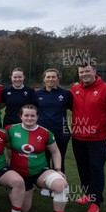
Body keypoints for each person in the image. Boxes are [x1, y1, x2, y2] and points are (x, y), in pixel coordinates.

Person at [6, 105, 70, 212]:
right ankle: (15, 190)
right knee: (24, 209)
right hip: (19, 174)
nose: (29, 118)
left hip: (40, 171)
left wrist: (58, 169)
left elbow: (56, 152)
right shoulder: (11, 129)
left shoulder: (45, 132)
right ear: (21, 116)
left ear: (37, 117)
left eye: (32, 116)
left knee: (61, 185)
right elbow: (7, 148)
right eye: (26, 115)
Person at [70, 63, 106, 212]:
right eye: (81, 72)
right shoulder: (75, 90)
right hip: (78, 137)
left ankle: (96, 201)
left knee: (95, 168)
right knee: (83, 168)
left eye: (87, 71)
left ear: (94, 72)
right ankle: (87, 194)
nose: (84, 74)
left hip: (99, 139)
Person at [34, 68, 72, 197]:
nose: (50, 79)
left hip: (61, 131)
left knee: (59, 159)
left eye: (53, 77)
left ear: (58, 79)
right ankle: (46, 185)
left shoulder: (66, 94)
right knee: (44, 159)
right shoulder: (37, 94)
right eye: (48, 77)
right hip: (42, 132)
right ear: (44, 79)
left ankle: (60, 185)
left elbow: (74, 109)